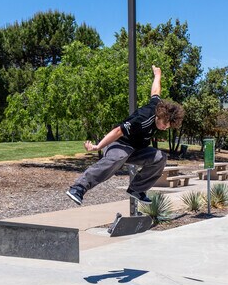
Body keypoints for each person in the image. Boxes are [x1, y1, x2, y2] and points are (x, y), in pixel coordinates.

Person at [66, 65, 184, 206]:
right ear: (160, 115)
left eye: (168, 126)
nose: (165, 127)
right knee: (120, 156)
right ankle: (78, 188)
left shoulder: (158, 105)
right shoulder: (142, 118)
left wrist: (157, 75)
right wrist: (97, 146)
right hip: (118, 144)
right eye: (164, 123)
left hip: (136, 150)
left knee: (160, 158)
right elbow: (117, 131)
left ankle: (136, 190)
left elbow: (155, 91)